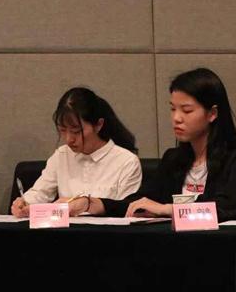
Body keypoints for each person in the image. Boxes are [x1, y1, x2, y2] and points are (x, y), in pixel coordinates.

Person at [65, 68, 236, 222]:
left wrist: (167, 209)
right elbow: (142, 201)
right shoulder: (174, 159)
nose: (176, 118)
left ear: (212, 113)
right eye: (173, 109)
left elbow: (232, 207)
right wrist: (92, 204)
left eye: (186, 110)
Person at [11, 87, 142, 217]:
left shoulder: (126, 161)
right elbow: (40, 193)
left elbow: (127, 210)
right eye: (62, 130)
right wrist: (24, 203)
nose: (69, 139)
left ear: (98, 125)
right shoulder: (61, 155)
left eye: (76, 131)